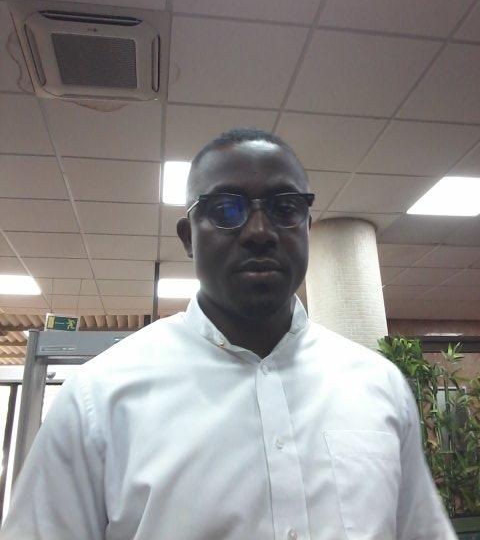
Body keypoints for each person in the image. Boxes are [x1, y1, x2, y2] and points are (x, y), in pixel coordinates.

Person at [1, 128, 457, 540]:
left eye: (285, 208)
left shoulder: (379, 385)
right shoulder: (97, 399)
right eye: (226, 209)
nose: (259, 231)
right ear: (188, 238)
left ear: (306, 226)